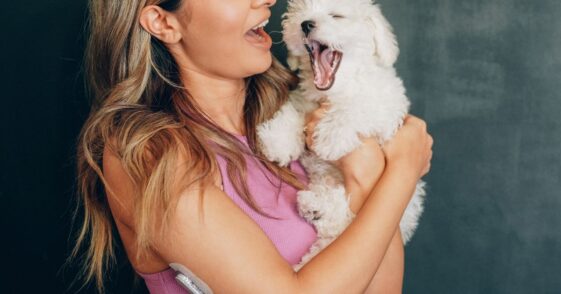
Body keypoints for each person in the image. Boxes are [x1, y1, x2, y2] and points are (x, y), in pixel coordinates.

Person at [70, 0, 433, 293]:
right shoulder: (148, 155)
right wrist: (400, 171)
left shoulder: (300, 114)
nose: (267, 1)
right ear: (163, 22)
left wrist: (365, 175)